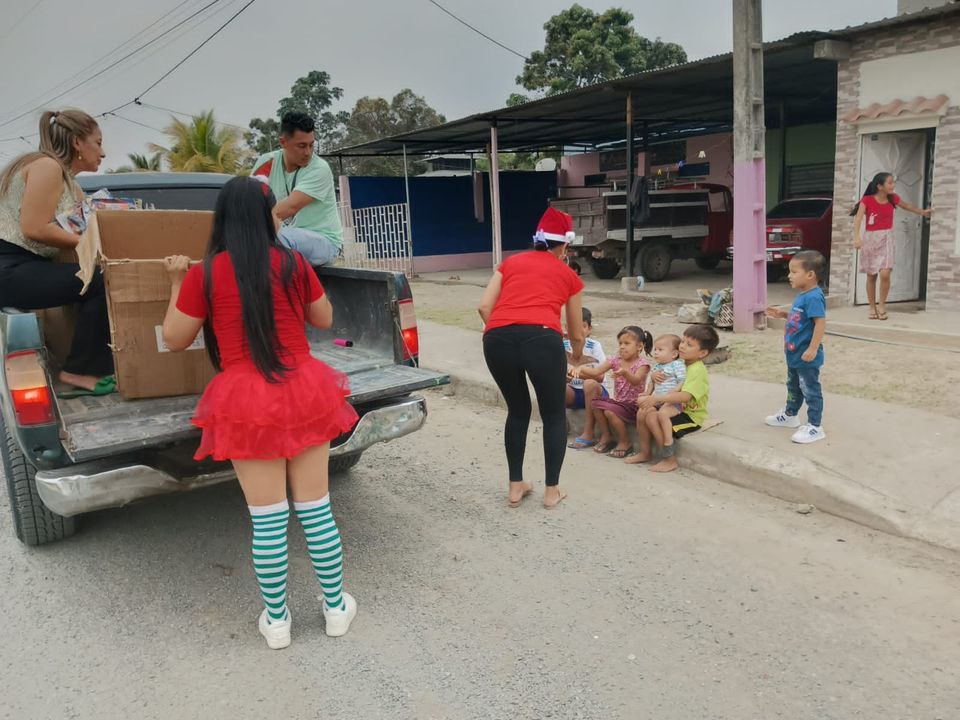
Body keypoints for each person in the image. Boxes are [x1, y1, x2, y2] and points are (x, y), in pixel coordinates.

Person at [161, 177, 360, 649]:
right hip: (304, 389)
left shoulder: (206, 274)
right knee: (316, 510)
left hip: (244, 398)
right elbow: (324, 319)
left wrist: (175, 281)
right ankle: (335, 609)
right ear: (268, 215)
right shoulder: (292, 263)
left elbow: (174, 339)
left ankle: (277, 622)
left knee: (268, 519)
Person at [0, 109, 113, 393]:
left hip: (25, 265)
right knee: (99, 280)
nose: (103, 152)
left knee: (97, 277)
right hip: (9, 266)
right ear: (77, 143)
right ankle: (79, 372)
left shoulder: (70, 184)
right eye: (98, 143)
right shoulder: (47, 167)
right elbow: (33, 227)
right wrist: (85, 243)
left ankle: (96, 364)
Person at [478, 207, 585, 509]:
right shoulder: (569, 276)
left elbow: (484, 307)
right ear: (564, 245)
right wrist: (576, 357)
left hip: (497, 339)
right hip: (542, 340)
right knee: (553, 414)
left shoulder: (510, 263)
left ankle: (515, 487)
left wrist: (503, 331)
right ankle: (551, 492)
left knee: (518, 410)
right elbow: (577, 333)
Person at [251, 111, 343, 267]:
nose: (307, 152)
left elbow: (287, 209)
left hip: (325, 242)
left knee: (273, 237)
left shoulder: (319, 168)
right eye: (301, 146)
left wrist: (247, 227)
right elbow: (249, 201)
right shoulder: (267, 162)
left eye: (311, 145)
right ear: (283, 142)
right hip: (286, 233)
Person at [630, 325, 719, 472]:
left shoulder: (697, 370)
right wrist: (654, 377)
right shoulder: (680, 363)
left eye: (689, 345)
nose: (682, 346)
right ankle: (645, 452)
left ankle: (669, 459)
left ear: (702, 353)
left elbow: (685, 396)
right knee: (642, 412)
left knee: (652, 417)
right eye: (683, 341)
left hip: (689, 415)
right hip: (671, 407)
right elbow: (663, 374)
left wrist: (657, 398)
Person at [764, 250, 828, 444]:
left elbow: (820, 323)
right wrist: (783, 314)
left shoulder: (814, 297)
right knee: (793, 385)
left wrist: (813, 349)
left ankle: (815, 426)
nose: (789, 275)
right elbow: (801, 317)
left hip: (806, 355)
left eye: (794, 271)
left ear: (810, 275)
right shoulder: (803, 295)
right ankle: (790, 415)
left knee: (810, 389)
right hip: (794, 353)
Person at [851, 172, 931, 321]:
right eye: (890, 183)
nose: (893, 185)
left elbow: (907, 206)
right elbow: (858, 219)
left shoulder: (893, 198)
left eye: (893, 182)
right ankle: (872, 307)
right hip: (870, 239)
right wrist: (856, 238)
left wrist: (923, 212)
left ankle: (882, 305)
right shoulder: (867, 200)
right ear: (879, 186)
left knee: (885, 273)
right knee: (871, 275)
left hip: (887, 238)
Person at [573, 326, 653, 459]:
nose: (622, 347)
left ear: (639, 346)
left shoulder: (642, 364)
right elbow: (596, 372)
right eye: (620, 343)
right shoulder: (615, 361)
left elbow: (636, 381)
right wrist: (580, 368)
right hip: (619, 404)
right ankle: (607, 435)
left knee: (610, 412)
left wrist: (625, 372)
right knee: (595, 404)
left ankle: (625, 442)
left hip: (633, 406)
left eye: (627, 343)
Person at [565, 306, 609, 450]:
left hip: (596, 393)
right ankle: (560, 423)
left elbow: (600, 376)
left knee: (589, 383)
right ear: (567, 328)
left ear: (589, 329)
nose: (578, 331)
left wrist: (578, 373)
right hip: (575, 394)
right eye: (574, 327)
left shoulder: (594, 346)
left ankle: (588, 433)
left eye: (583, 326)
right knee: (552, 383)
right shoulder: (563, 346)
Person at [637, 333, 687, 427]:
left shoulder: (676, 364)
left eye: (660, 350)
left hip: (670, 400)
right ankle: (653, 409)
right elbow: (651, 383)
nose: (656, 352)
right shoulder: (657, 366)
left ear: (674, 354)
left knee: (658, 411)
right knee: (640, 400)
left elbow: (682, 379)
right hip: (657, 399)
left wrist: (676, 389)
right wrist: (647, 393)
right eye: (655, 349)